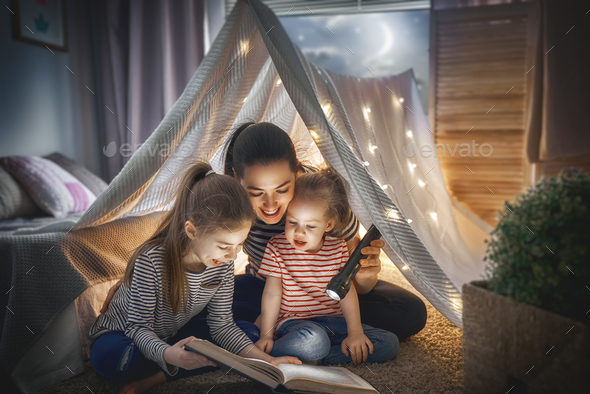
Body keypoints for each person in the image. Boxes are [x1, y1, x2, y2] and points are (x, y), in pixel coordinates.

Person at [101, 122, 427, 341]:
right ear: (235, 179)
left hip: (328, 294)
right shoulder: (228, 199)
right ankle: (295, 331)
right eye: (256, 192)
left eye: (283, 189)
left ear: (297, 173)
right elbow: (179, 233)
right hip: (269, 288)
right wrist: (133, 280)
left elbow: (356, 283)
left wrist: (367, 278)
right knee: (205, 316)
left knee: (410, 313)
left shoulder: (322, 198)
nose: (271, 206)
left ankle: (306, 331)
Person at [90, 163, 300, 394]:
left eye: (240, 245)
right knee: (117, 360)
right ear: (192, 231)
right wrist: (168, 353)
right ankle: (173, 361)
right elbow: (138, 328)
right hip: (125, 335)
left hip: (172, 335)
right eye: (223, 246)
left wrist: (265, 362)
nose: (232, 256)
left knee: (248, 334)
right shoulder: (151, 261)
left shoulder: (222, 263)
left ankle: (160, 374)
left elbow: (222, 325)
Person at [255, 169, 399, 365]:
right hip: (295, 325)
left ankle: (316, 358)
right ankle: (277, 354)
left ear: (328, 224)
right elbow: (272, 294)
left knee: (389, 343)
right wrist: (266, 334)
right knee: (313, 341)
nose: (299, 232)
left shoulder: (339, 247)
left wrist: (355, 331)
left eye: (310, 226)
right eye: (292, 222)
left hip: (334, 323)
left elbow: (347, 292)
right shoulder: (276, 247)